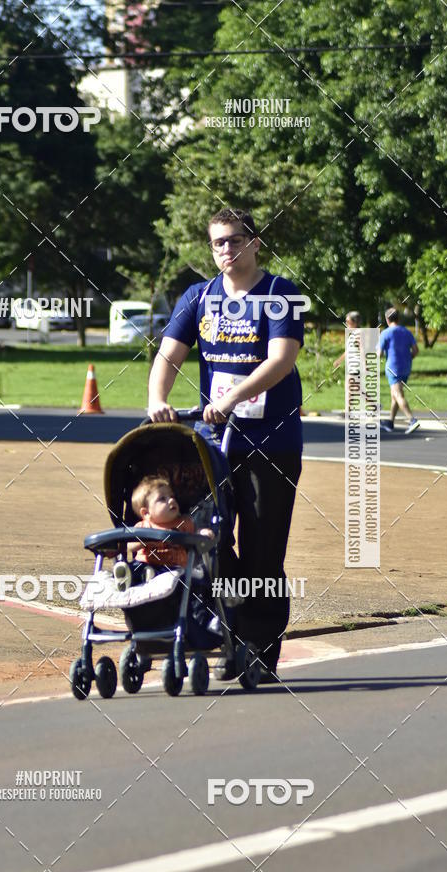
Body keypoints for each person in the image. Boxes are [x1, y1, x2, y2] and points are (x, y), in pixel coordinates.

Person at [147, 207, 305, 681]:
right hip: (212, 442)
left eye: (235, 241)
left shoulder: (281, 294)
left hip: (270, 443)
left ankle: (259, 651)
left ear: (255, 242)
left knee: (263, 551)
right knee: (206, 541)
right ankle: (232, 631)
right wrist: (158, 399)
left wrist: (234, 396)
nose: (226, 251)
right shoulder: (198, 297)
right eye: (218, 243)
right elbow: (169, 354)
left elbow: (281, 359)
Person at [113, 475, 212, 590]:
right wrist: (142, 540)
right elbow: (130, 546)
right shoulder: (144, 526)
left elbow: (195, 532)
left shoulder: (183, 522)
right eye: (162, 499)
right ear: (146, 513)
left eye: (172, 496)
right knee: (136, 567)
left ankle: (148, 575)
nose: (171, 500)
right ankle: (126, 575)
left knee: (179, 575)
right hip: (146, 562)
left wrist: (202, 532)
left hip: (174, 567)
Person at [379, 307, 419, 434]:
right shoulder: (406, 332)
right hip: (406, 367)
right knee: (394, 395)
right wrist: (408, 358)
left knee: (398, 394)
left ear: (387, 319)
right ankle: (390, 422)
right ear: (398, 318)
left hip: (393, 367)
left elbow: (379, 353)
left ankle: (412, 420)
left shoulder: (385, 333)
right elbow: (416, 350)